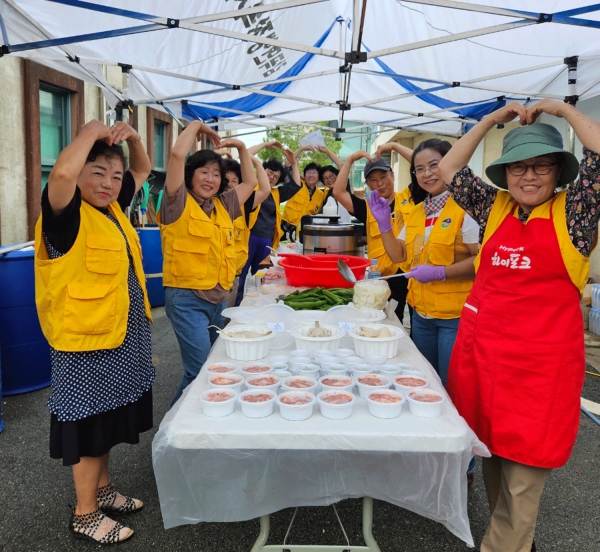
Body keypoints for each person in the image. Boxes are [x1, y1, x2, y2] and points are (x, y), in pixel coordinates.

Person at [437, 99, 600, 552]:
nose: (528, 177)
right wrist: (491, 120)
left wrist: (563, 112)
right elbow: (450, 168)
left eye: (541, 168)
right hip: (486, 364)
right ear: (504, 174)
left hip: (539, 375)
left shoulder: (576, 214)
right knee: (494, 468)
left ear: (558, 173)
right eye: (517, 168)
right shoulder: (496, 207)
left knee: (522, 486)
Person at [34, 120, 154, 544]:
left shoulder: (113, 209)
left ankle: (103, 491)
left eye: (114, 175)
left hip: (119, 337)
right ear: (80, 172)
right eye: (97, 172)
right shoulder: (65, 214)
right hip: (85, 342)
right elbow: (62, 174)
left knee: (107, 422)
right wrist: (88, 132)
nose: (108, 183)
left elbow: (144, 168)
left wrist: (135, 139)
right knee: (86, 427)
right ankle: (84, 514)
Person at [158, 122, 257, 405]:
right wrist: (197, 126)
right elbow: (177, 155)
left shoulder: (223, 204)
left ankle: (200, 422)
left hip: (218, 300)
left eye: (216, 174)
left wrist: (240, 149)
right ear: (190, 176)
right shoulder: (177, 202)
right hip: (186, 298)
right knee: (199, 370)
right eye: (204, 172)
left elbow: (250, 183)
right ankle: (173, 431)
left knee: (215, 367)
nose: (210, 179)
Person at [366, 139, 479, 387]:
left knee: (452, 384)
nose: (427, 174)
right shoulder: (418, 211)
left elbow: (481, 260)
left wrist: (441, 273)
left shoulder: (466, 208)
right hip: (420, 315)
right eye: (419, 169)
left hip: (454, 317)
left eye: (434, 165)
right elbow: (398, 256)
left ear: (450, 165)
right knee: (425, 380)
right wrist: (385, 225)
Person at [333, 152, 415, 322]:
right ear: (368, 184)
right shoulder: (368, 207)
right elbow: (339, 192)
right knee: (392, 320)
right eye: (373, 180)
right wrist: (349, 160)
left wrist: (394, 146)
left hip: (415, 271)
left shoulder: (410, 197)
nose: (379, 183)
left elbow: (422, 164)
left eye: (383, 176)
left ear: (392, 175)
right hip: (386, 277)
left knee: (418, 320)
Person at [235, 142, 301, 305]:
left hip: (266, 240)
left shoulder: (276, 193)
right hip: (247, 237)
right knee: (241, 275)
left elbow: (296, 185)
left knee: (263, 278)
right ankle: (236, 308)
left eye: (275, 177)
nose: (271, 177)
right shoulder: (250, 186)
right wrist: (265, 145)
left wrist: (294, 163)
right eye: (269, 173)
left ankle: (258, 306)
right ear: (261, 170)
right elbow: (245, 154)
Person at [220, 156, 270, 308]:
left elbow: (265, 189)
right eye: (226, 180)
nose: (230, 184)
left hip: (233, 276)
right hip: (210, 277)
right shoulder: (207, 203)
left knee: (225, 322)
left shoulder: (245, 204)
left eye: (234, 180)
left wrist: (257, 163)